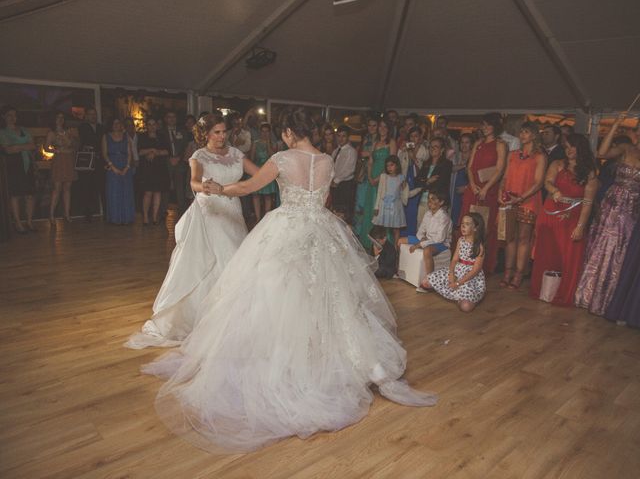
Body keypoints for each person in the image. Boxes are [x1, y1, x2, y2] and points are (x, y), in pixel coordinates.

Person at [141, 108, 436, 453]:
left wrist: (219, 188)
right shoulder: (326, 159)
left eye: (283, 133)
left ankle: (285, 362)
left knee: (276, 293)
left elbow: (249, 187)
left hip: (287, 229)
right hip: (321, 229)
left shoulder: (282, 158)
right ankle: (340, 357)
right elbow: (322, 196)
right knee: (330, 296)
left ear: (289, 133)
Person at [126, 113, 259, 349]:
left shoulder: (236, 154)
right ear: (205, 134)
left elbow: (258, 175)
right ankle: (210, 318)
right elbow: (194, 182)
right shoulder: (199, 155)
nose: (221, 136)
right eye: (216, 132)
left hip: (233, 212)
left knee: (238, 260)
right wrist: (206, 188)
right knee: (217, 259)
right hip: (211, 211)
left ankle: (235, 317)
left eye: (223, 131)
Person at [575, 113, 640, 315]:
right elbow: (601, 152)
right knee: (604, 245)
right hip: (613, 204)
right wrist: (615, 126)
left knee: (622, 250)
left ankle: (611, 302)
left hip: (633, 208)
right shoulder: (627, 149)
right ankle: (590, 295)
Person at [529, 134, 597, 306]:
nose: (569, 151)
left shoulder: (589, 172)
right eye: (566, 147)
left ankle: (563, 294)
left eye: (572, 147)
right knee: (547, 255)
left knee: (570, 256)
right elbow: (547, 181)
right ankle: (544, 291)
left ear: (581, 149)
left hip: (573, 217)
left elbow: (588, 203)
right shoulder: (557, 164)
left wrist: (581, 226)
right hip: (551, 213)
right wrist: (554, 190)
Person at [497, 122, 547, 289]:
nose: (522, 135)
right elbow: (504, 177)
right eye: (521, 132)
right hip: (509, 199)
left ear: (534, 135)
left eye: (526, 132)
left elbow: (538, 183)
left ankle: (519, 275)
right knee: (510, 237)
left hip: (528, 200)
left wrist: (520, 198)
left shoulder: (539, 156)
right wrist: (500, 192)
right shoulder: (512, 154)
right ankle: (507, 272)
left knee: (524, 239)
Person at [460, 112, 508, 274]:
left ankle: (482, 267)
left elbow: (500, 170)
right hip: (473, 190)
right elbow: (469, 167)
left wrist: (486, 189)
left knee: (484, 229)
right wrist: (473, 185)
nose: (485, 128)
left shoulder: (500, 144)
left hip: (489, 191)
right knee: (467, 226)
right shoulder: (478, 143)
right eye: (484, 124)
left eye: (489, 125)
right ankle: (465, 261)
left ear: (496, 126)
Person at [423, 213, 486, 312]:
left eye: (467, 224)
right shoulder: (461, 240)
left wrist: (458, 283)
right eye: (462, 224)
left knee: (466, 307)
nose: (463, 226)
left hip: (469, 277)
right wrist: (451, 274)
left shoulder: (479, 247)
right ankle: (458, 295)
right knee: (425, 282)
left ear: (475, 228)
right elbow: (454, 260)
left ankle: (468, 297)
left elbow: (475, 271)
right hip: (457, 270)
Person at [397, 188, 452, 286]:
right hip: (427, 239)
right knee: (401, 241)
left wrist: (420, 243)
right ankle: (400, 270)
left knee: (427, 250)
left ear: (441, 202)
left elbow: (439, 239)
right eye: (428, 198)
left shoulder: (444, 218)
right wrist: (421, 238)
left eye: (433, 199)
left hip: (441, 243)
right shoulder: (427, 214)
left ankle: (430, 280)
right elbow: (420, 231)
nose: (429, 201)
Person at [358, 118, 397, 249]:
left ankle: (384, 245)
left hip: (384, 180)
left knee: (380, 212)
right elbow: (370, 162)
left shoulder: (391, 142)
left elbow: (392, 163)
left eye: (385, 126)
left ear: (389, 129)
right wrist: (370, 177)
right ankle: (369, 243)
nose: (382, 129)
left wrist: (378, 178)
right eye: (380, 126)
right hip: (372, 180)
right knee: (370, 210)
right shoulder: (375, 143)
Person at [0, 105, 36, 233]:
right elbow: (8, 150)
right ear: (4, 116)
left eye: (14, 115)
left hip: (27, 165)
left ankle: (29, 222)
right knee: (15, 195)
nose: (12, 118)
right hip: (13, 166)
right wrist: (24, 146)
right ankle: (18, 224)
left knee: (29, 195)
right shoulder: (2, 132)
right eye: (9, 115)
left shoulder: (24, 130)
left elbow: (32, 146)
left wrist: (17, 146)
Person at [46, 111, 79, 225]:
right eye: (58, 117)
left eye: (62, 117)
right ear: (54, 119)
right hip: (59, 160)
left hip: (69, 159)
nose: (60, 119)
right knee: (57, 188)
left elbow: (75, 145)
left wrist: (72, 143)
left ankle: (67, 214)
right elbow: (46, 148)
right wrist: (56, 150)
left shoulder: (69, 132)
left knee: (67, 188)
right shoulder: (52, 133)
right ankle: (51, 215)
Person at [137, 118, 170, 225]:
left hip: (159, 168)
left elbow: (167, 151)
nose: (152, 126)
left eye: (153, 124)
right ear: (147, 126)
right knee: (148, 193)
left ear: (156, 125)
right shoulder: (142, 137)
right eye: (149, 124)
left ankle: (155, 217)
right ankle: (146, 217)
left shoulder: (162, 137)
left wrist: (156, 152)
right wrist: (151, 150)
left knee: (157, 192)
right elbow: (140, 151)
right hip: (147, 169)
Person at [103, 118, 135, 224]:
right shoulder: (106, 137)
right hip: (112, 166)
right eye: (114, 123)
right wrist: (112, 167)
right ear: (111, 125)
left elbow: (130, 153)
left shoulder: (126, 137)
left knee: (126, 192)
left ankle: (127, 218)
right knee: (114, 192)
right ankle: (115, 218)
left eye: (118, 123)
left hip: (125, 166)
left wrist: (127, 167)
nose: (117, 125)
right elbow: (105, 154)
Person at [416, 137, 453, 227]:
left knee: (435, 231)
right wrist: (428, 181)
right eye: (431, 146)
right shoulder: (426, 164)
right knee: (421, 229)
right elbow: (417, 182)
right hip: (423, 201)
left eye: (436, 146)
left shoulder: (447, 164)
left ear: (442, 149)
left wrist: (424, 183)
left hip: (438, 203)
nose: (432, 148)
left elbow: (440, 183)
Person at [77, 107, 105, 221]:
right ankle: (88, 213)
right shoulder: (82, 127)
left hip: (99, 159)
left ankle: (102, 211)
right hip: (88, 159)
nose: (93, 116)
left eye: (95, 114)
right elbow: (87, 140)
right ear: (87, 116)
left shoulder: (101, 127)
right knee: (87, 186)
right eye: (90, 114)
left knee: (100, 185)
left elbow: (101, 140)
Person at [161, 111, 190, 217]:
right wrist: (169, 158)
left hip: (180, 162)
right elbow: (160, 147)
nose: (171, 119)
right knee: (165, 188)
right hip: (166, 163)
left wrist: (179, 158)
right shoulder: (161, 132)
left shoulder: (183, 131)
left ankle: (183, 214)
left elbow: (186, 147)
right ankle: (162, 212)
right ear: (166, 119)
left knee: (180, 189)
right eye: (169, 117)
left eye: (173, 117)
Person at [399, 126, 427, 237]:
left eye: (416, 136)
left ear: (420, 137)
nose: (414, 138)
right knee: (403, 213)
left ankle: (411, 238)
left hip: (417, 183)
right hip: (405, 182)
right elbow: (399, 164)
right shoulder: (406, 148)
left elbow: (423, 171)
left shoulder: (424, 151)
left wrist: (413, 157)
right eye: (411, 136)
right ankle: (401, 239)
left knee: (413, 213)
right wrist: (402, 151)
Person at [372, 155, 406, 245]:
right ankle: (381, 247)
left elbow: (404, 192)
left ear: (397, 165)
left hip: (396, 205)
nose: (389, 168)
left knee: (396, 229)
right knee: (382, 228)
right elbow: (379, 192)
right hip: (384, 205)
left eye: (392, 165)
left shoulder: (401, 177)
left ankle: (395, 250)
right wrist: (376, 207)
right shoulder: (384, 176)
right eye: (387, 166)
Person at [353, 117, 378, 237]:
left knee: (371, 206)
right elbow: (360, 155)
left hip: (373, 174)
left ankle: (368, 234)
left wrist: (369, 154)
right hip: (363, 174)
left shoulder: (380, 140)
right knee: (359, 205)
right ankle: (358, 233)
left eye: (374, 125)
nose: (371, 128)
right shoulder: (365, 138)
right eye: (369, 125)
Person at [249, 122, 278, 222]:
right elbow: (252, 158)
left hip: (268, 170)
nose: (265, 133)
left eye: (267, 131)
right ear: (260, 132)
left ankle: (266, 219)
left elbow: (272, 156)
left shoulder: (274, 144)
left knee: (267, 195)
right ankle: (257, 218)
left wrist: (268, 144)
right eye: (263, 131)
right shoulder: (255, 143)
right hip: (257, 169)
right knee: (256, 195)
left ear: (270, 132)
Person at [331, 125, 358, 221]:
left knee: (344, 214)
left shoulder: (351, 151)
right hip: (335, 185)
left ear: (348, 137)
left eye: (343, 136)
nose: (341, 139)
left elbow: (350, 169)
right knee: (334, 212)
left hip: (345, 186)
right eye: (339, 136)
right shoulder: (335, 151)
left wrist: (336, 180)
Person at [450, 133, 473, 226]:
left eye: (467, 142)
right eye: (462, 142)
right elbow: (450, 168)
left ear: (471, 144)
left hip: (468, 191)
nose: (464, 145)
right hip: (454, 192)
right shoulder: (455, 156)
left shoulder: (474, 156)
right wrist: (464, 165)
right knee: (454, 220)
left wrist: (467, 188)